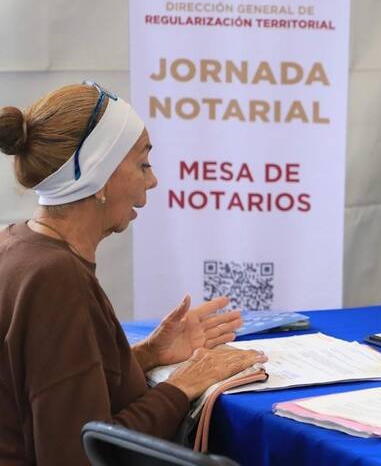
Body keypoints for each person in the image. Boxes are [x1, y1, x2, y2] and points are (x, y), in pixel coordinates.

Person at [0, 81, 267, 464]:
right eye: (143, 164)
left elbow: (54, 384)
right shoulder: (55, 277)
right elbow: (79, 453)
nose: (153, 180)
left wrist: (148, 354)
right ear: (100, 176)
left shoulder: (15, 244)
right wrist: (183, 386)